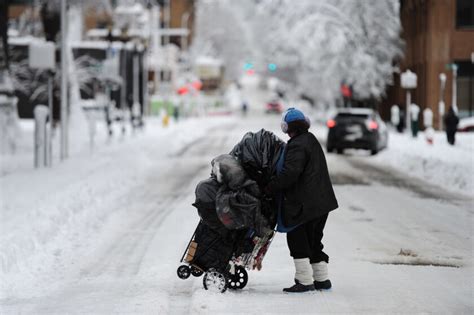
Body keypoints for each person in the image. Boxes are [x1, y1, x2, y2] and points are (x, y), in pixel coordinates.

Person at [264, 108, 338, 293]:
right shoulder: (310, 139)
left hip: (305, 204)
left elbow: (290, 174)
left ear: (286, 126)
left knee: (298, 239)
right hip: (321, 203)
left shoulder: (297, 145)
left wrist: (269, 187)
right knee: (314, 240)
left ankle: (305, 281)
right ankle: (322, 280)